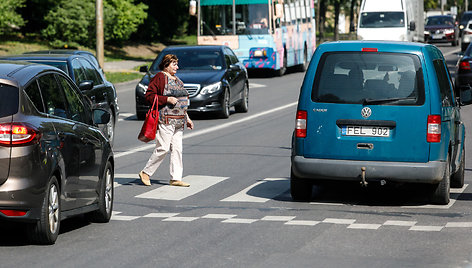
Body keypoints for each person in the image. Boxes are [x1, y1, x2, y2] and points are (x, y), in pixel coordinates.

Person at [138, 54, 194, 187]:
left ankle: (175, 178)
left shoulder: (177, 80)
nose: (177, 67)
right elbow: (149, 96)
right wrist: (166, 99)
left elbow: (181, 102)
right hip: (166, 119)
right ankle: (146, 172)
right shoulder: (160, 77)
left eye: (177, 64)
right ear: (166, 64)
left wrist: (187, 118)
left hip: (179, 121)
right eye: (174, 64)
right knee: (163, 148)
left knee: (177, 149)